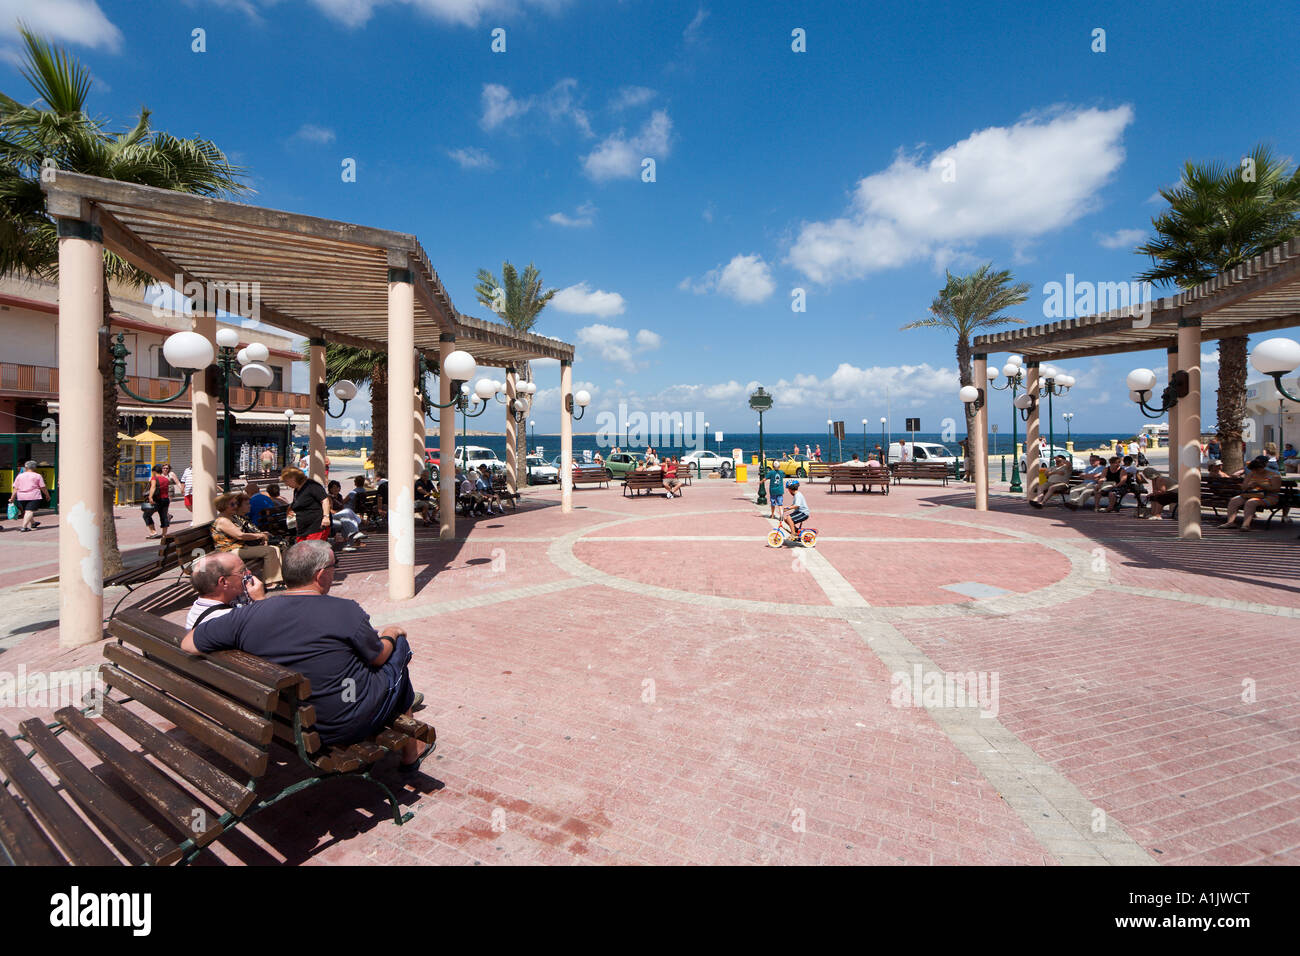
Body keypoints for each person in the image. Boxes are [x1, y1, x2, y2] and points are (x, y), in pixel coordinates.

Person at [182, 541, 427, 769]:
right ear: (321, 574)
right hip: (340, 723)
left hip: (284, 719)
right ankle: (411, 754)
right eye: (334, 567)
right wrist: (391, 633)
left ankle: (408, 742)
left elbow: (188, 643)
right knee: (399, 651)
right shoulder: (344, 610)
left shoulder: (246, 615)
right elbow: (378, 657)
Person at [211, 492, 285, 585]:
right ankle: (270, 582)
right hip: (229, 550)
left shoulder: (232, 517)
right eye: (232, 504)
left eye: (236, 504)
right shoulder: (222, 520)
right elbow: (240, 535)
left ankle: (277, 579)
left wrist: (261, 535)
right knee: (269, 551)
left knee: (275, 548)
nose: (235, 506)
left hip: (240, 547)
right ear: (223, 505)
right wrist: (260, 535)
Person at [185, 551, 266, 629]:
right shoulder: (229, 619)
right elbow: (271, 628)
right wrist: (260, 601)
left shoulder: (198, 608)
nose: (248, 572)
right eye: (242, 571)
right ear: (223, 582)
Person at [1221, 456, 1282, 531]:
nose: (1255, 472)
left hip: (1269, 497)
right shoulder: (1251, 474)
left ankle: (1245, 525)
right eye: (1253, 470)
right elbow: (1244, 487)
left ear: (1263, 467)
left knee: (1251, 502)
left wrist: (1260, 485)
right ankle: (1230, 522)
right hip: (1251, 494)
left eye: (1257, 470)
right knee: (1234, 500)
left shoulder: (1273, 475)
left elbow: (1275, 489)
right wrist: (1248, 486)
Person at [281, 467, 332, 542]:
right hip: (303, 528)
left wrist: (326, 517)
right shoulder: (297, 490)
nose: (286, 484)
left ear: (293, 478)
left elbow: (325, 500)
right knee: (302, 551)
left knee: (313, 550)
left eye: (286, 481)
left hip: (316, 526)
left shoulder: (312, 486)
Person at [9, 460, 48, 532]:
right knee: (29, 511)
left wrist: (12, 498)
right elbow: (43, 487)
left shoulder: (20, 476)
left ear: (26, 467)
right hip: (34, 496)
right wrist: (47, 495)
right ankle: (24, 527)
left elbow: (15, 488)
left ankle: (33, 523)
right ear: (34, 468)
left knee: (27, 511)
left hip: (21, 496)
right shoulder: (37, 476)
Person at [327, 479, 365, 550]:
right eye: (333, 487)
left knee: (346, 519)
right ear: (330, 489)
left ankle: (348, 544)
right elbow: (330, 510)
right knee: (348, 511)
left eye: (337, 487)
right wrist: (339, 512)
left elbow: (342, 507)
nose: (335, 489)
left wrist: (342, 512)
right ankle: (359, 523)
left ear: (339, 488)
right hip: (333, 516)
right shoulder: (329, 497)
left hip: (340, 515)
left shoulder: (339, 496)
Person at [143, 463, 172, 539]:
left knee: (146, 515)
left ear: (154, 471)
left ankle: (153, 532)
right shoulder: (166, 479)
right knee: (164, 516)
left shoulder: (154, 478)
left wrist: (150, 497)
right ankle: (164, 534)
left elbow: (153, 487)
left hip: (157, 500)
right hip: (166, 500)